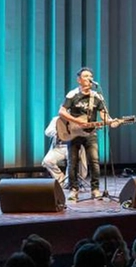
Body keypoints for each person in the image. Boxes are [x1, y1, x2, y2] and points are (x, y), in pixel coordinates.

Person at [58, 67, 124, 202]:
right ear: (79, 80)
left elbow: (104, 115)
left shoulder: (97, 96)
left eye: (91, 76)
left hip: (90, 133)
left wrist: (111, 122)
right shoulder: (73, 94)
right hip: (74, 132)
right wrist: (76, 121)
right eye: (86, 76)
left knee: (94, 161)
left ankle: (95, 189)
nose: (89, 78)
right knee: (73, 162)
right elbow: (62, 111)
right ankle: (73, 190)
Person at [40, 115, 88, 193]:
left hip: (74, 147)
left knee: (72, 161)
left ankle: (69, 181)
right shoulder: (56, 119)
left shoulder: (77, 120)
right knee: (47, 161)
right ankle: (61, 180)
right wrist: (58, 131)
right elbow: (47, 131)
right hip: (59, 148)